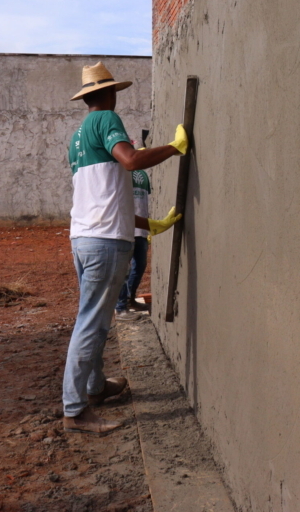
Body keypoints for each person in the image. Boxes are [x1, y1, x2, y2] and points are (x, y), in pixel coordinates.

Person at [62, 62, 188, 434]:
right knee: (92, 323)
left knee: (93, 318)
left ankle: (95, 388)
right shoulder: (107, 120)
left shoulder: (78, 136)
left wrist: (152, 225)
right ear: (109, 92)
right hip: (105, 244)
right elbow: (131, 161)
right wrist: (173, 148)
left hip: (83, 238)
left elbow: (104, 199)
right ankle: (75, 410)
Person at [115, 167, 151, 316]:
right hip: (124, 228)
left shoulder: (142, 173)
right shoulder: (120, 170)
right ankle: (121, 306)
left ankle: (130, 298)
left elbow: (144, 200)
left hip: (141, 230)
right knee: (123, 269)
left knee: (140, 265)